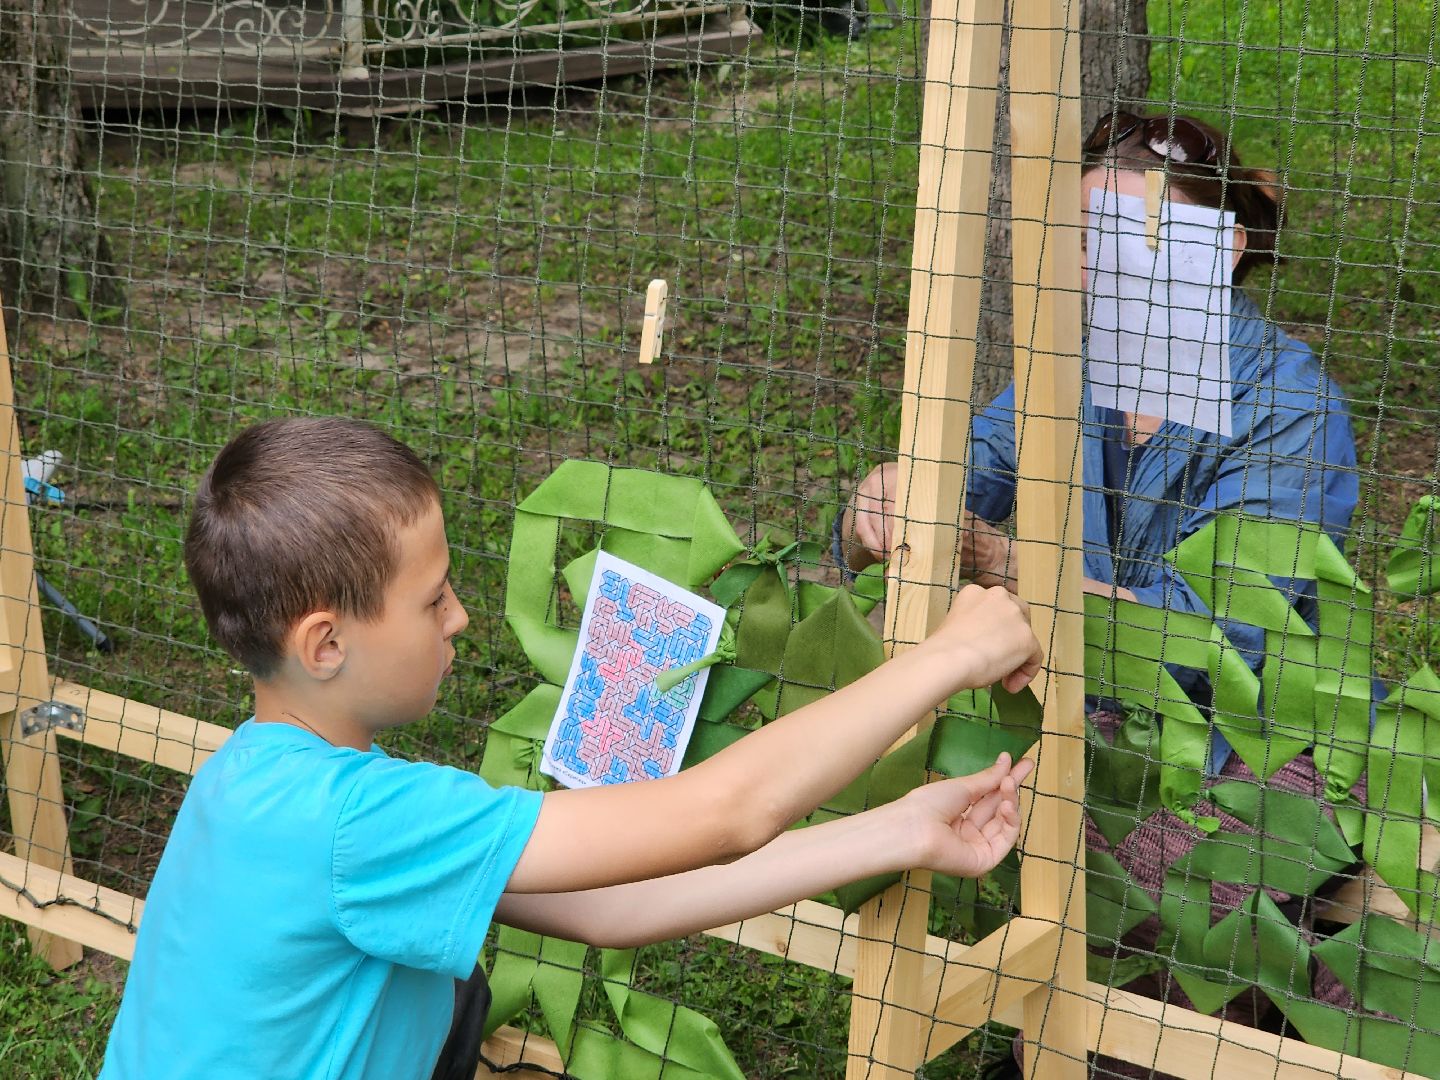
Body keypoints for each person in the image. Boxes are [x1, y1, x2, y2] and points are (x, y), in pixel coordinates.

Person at [98, 416, 1043, 1080]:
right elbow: (725, 811)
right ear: (326, 644)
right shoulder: (359, 825)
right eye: (431, 601)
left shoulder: (262, 780)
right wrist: (950, 656)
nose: (461, 616)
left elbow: (608, 906)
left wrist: (899, 833)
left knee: (451, 991)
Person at [835, 113, 1362, 1065]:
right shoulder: (1073, 362)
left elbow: (1212, 644)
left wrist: (999, 565)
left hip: (1249, 746)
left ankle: (1171, 1030)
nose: (1090, 265)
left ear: (1226, 247)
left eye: (1125, 236)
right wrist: (887, 496)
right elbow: (963, 464)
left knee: (1145, 895)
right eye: (1082, 237)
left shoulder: (1295, 406)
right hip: (1092, 714)